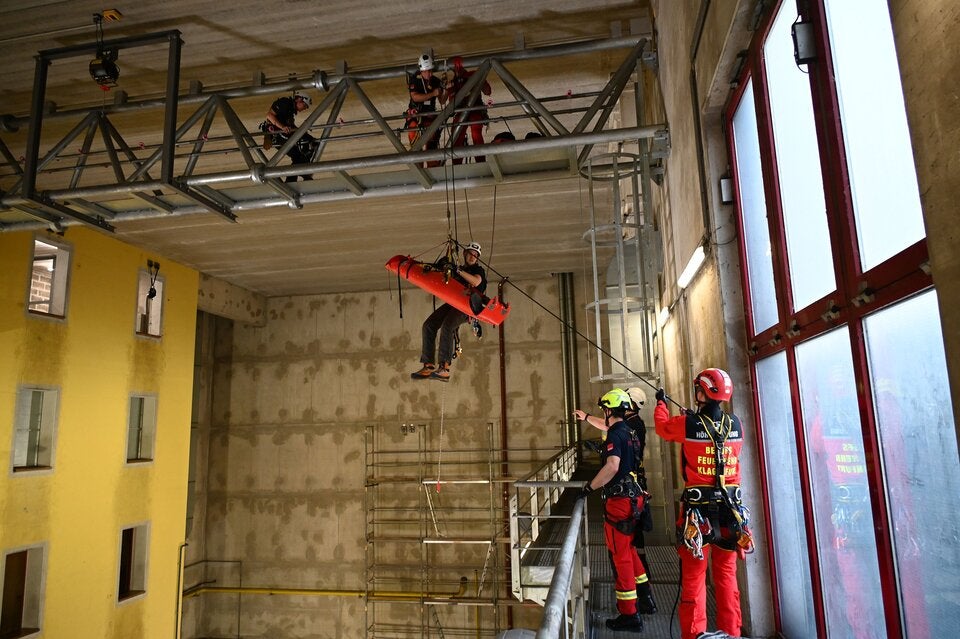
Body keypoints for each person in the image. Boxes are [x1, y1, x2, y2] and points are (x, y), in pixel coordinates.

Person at [653, 368, 753, 639]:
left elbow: (663, 427)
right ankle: (732, 633)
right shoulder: (737, 424)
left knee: (694, 581)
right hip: (731, 516)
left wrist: (661, 402)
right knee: (726, 578)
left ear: (701, 392)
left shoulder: (688, 426)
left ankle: (695, 634)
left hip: (698, 518)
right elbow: (716, 442)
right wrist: (693, 420)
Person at [579, 388, 656, 632]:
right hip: (633, 499)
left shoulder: (616, 434)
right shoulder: (629, 431)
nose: (604, 413)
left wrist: (589, 488)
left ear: (610, 410)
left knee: (620, 556)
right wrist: (587, 418)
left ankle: (629, 614)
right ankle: (645, 597)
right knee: (630, 550)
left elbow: (612, 466)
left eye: (605, 410)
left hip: (620, 502)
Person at [411, 241, 486, 382]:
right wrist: (442, 266)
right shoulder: (459, 269)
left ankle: (444, 368)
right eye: (470, 254)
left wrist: (458, 270)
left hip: (468, 306)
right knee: (429, 325)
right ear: (464, 254)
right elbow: (445, 278)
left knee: (448, 326)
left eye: (475, 255)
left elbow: (476, 282)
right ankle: (428, 365)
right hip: (454, 303)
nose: (472, 257)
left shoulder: (478, 271)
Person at [445, 56, 492, 164]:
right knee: (457, 137)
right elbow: (451, 102)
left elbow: (488, 91)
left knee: (475, 134)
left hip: (474, 109)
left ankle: (480, 162)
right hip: (461, 112)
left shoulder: (473, 75)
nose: (458, 69)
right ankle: (458, 165)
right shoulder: (452, 83)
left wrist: (480, 80)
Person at [261, 93, 317, 182]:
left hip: (281, 134)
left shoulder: (290, 111)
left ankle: (298, 177)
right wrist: (282, 127)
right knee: (299, 153)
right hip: (276, 135)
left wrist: (302, 132)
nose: (305, 108)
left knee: (306, 146)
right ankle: (300, 177)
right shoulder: (285, 102)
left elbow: (290, 126)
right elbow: (269, 115)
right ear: (299, 99)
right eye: (305, 105)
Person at [406, 53, 446, 167]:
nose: (429, 73)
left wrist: (446, 90)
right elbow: (415, 97)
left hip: (429, 115)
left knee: (432, 142)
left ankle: (433, 167)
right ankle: (418, 168)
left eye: (430, 71)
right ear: (421, 70)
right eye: (426, 71)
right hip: (416, 114)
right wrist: (432, 93)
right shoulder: (415, 79)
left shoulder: (435, 81)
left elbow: (442, 101)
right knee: (415, 143)